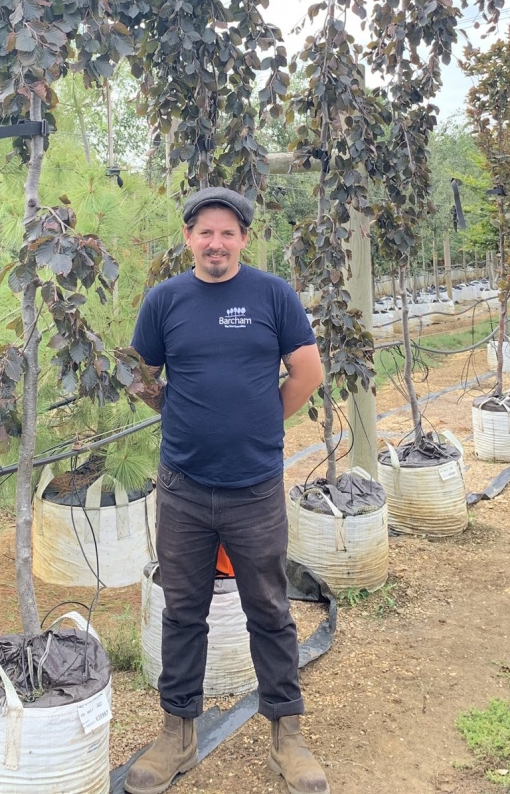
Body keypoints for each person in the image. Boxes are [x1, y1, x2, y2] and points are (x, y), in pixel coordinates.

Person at [124, 186, 331, 794]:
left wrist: (261, 423)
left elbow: (307, 372)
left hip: (254, 488)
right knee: (183, 611)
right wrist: (177, 412)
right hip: (183, 488)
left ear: (243, 239)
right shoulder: (165, 300)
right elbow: (140, 374)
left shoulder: (272, 295)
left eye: (227, 233)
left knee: (269, 609)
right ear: (188, 238)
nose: (216, 244)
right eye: (205, 233)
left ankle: (287, 736)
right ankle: (177, 734)